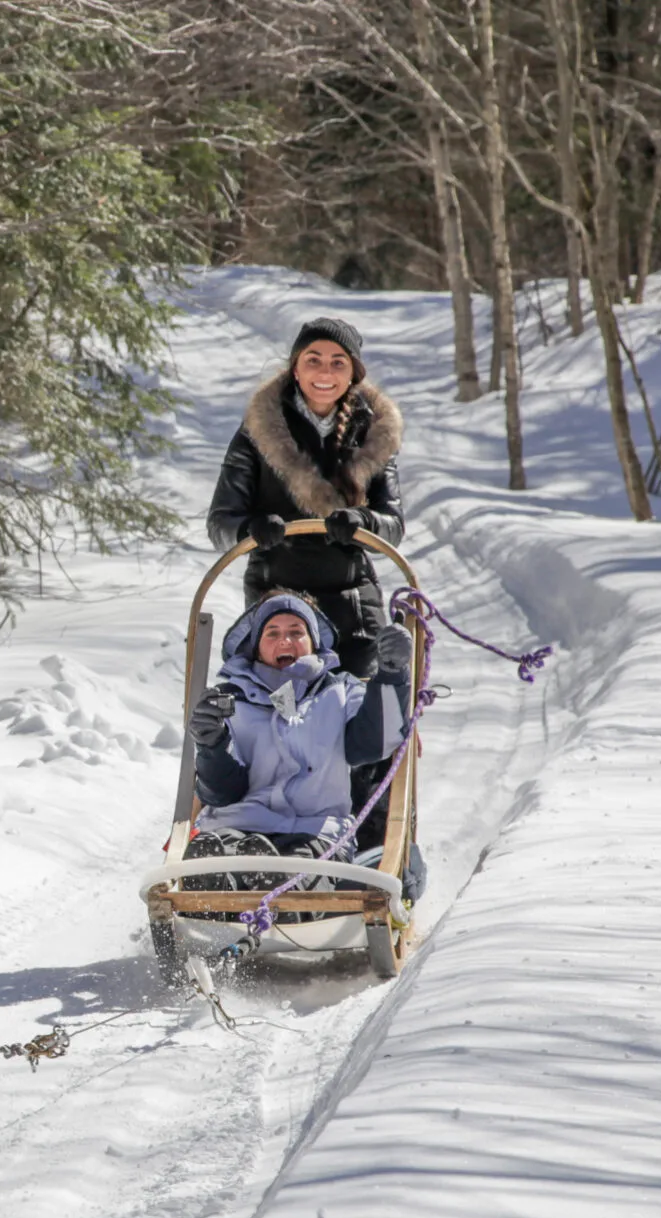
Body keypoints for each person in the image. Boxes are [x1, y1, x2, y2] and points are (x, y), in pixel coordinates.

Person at [206, 316, 405, 679]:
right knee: (280, 700)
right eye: (313, 359)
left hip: (352, 600)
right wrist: (252, 528)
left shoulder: (374, 432)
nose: (324, 371)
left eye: (337, 362)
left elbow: (392, 527)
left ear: (353, 374)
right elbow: (220, 523)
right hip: (276, 599)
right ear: (296, 369)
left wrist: (364, 523)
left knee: (366, 698)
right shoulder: (258, 431)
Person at [183, 591, 416, 892]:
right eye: (273, 633)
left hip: (314, 832)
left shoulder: (340, 691)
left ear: (313, 643)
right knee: (218, 855)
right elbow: (222, 792)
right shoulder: (229, 699)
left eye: (296, 632)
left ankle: (280, 901)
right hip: (237, 825)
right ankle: (209, 902)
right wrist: (211, 744)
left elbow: (374, 744)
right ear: (256, 647)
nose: (285, 641)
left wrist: (391, 673)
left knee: (294, 869)